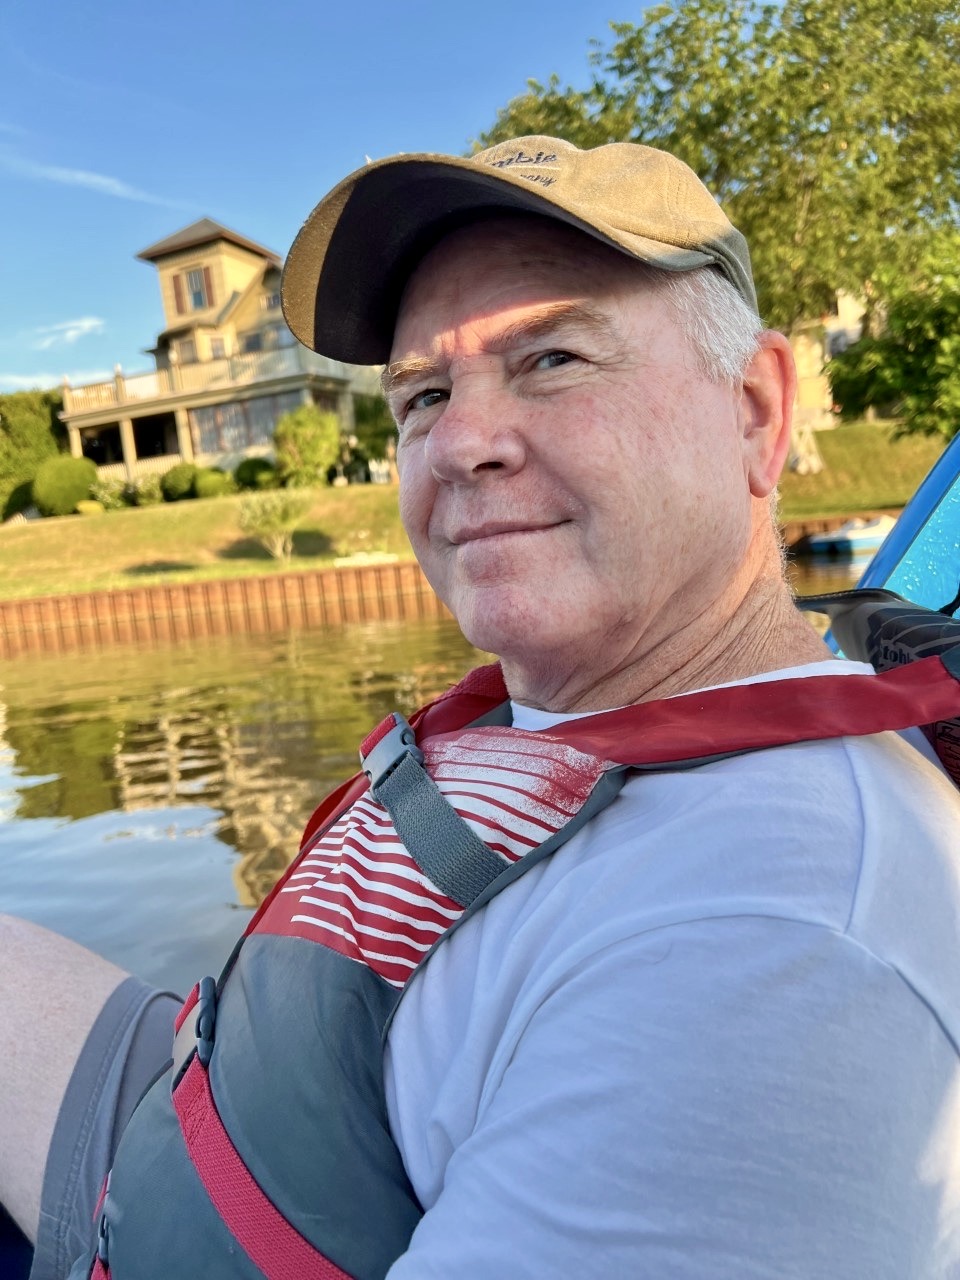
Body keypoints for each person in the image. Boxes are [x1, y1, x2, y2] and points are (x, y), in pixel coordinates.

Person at [3, 134, 960, 1280]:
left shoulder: (776, 957)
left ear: (755, 412)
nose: (459, 441)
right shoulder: (608, 699)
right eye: (424, 394)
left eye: (552, 357)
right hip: (209, 1110)